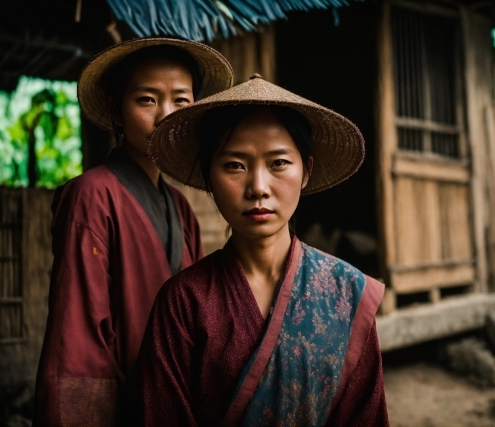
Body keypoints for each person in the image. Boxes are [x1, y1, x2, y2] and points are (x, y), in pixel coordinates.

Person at [139, 74, 389, 426]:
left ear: (306, 171)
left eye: (278, 164)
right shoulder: (183, 302)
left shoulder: (347, 292)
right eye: (235, 166)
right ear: (209, 177)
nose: (258, 187)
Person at [34, 38, 234, 427]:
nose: (166, 115)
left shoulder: (180, 208)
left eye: (181, 101)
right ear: (117, 111)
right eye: (147, 100)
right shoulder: (91, 195)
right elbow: (78, 334)